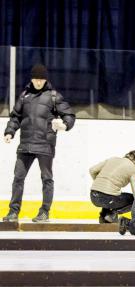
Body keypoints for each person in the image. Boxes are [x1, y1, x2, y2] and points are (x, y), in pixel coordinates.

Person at [3, 64, 76, 223]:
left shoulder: (53, 96)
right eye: (36, 79)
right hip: (25, 145)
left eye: (41, 79)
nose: (38, 82)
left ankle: (44, 212)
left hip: (45, 145)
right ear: (31, 79)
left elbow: (69, 115)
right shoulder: (24, 96)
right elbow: (16, 116)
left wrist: (64, 125)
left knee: (46, 179)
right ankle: (13, 212)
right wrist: (10, 131)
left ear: (45, 80)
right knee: (18, 178)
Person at [89, 150, 135, 223]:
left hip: (93, 195)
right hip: (107, 198)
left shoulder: (113, 159)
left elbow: (92, 170)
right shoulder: (134, 170)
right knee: (133, 200)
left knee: (114, 195)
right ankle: (112, 215)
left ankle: (103, 216)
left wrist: (99, 183)